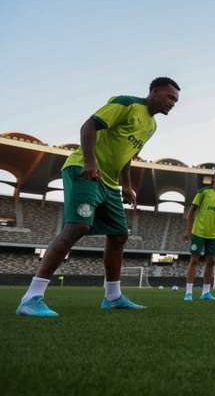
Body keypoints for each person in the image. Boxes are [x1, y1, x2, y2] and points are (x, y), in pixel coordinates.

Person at [16, 77, 181, 317]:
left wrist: (126, 184)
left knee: (119, 235)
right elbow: (88, 126)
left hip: (110, 183)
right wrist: (90, 163)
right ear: (154, 91)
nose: (173, 103)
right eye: (170, 97)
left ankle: (113, 297)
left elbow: (128, 155)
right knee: (78, 226)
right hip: (84, 170)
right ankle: (31, 297)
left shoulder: (152, 126)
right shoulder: (126, 104)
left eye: (175, 100)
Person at [182, 170, 215, 301]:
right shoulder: (203, 192)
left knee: (211, 262)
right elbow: (191, 211)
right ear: (214, 179)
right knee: (194, 260)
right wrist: (188, 231)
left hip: (213, 235)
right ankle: (188, 292)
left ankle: (206, 293)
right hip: (198, 232)